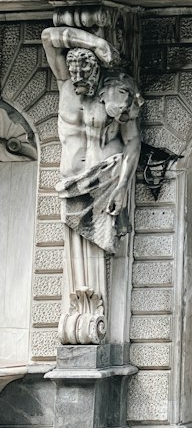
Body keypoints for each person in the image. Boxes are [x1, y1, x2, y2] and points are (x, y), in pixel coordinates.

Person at [41, 24, 143, 343]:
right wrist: (95, 42)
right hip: (70, 178)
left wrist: (123, 185)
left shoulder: (116, 92)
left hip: (106, 177)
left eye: (85, 70)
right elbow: (48, 37)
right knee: (76, 252)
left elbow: (133, 141)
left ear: (97, 72)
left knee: (100, 249)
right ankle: (82, 315)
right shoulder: (65, 84)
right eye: (73, 70)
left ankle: (95, 320)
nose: (78, 76)